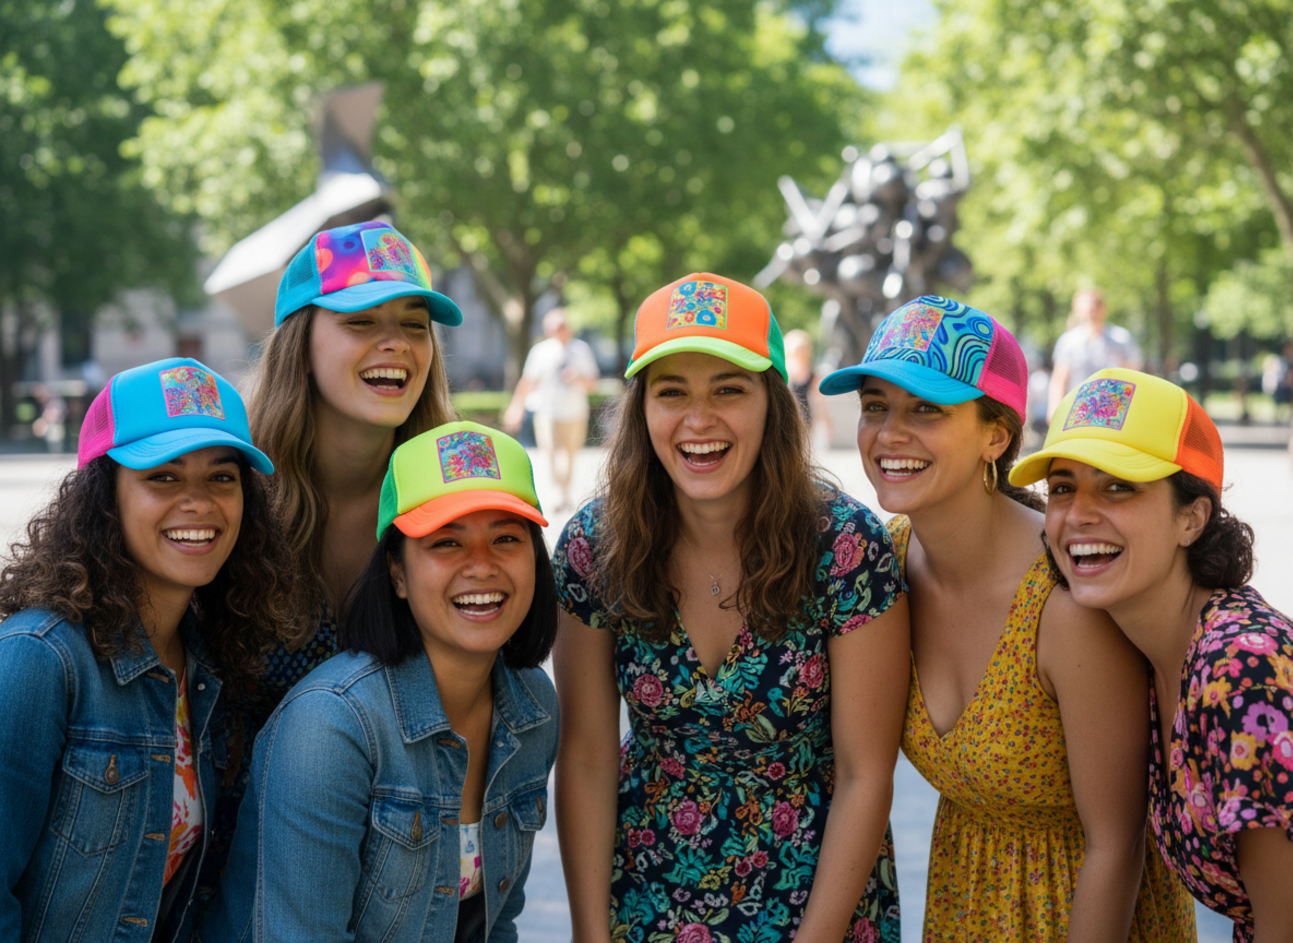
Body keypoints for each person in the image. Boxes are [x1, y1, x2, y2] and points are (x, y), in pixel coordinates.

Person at [819, 297, 1195, 942]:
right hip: (966, 899)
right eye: (875, 406)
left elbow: (1118, 841)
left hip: (1083, 910)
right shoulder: (885, 565)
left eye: (926, 409)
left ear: (996, 434)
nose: (889, 433)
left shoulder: (1065, 604)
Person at [552, 273, 909, 942]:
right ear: (641, 409)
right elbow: (587, 756)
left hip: (817, 898)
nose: (698, 418)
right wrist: (589, 934)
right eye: (671, 392)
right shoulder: (592, 548)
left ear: (771, 402)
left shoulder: (844, 547)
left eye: (727, 389)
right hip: (645, 892)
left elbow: (866, 773)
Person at [200, 422, 558, 942]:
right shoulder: (330, 727)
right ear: (396, 573)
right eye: (446, 542)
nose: (481, 565)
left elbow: (497, 924)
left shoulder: (533, 706)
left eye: (506, 537)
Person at [198, 220, 461, 898]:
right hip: (225, 886)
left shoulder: (452, 512)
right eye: (360, 320)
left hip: (395, 889)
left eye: (414, 322)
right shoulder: (228, 501)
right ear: (300, 343)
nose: (396, 343)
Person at [0, 358, 296, 942]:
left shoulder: (209, 662)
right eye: (163, 476)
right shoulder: (38, 661)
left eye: (221, 477)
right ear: (104, 497)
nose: (199, 502)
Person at [1012, 368, 1293, 942]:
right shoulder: (1155, 648)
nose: (1079, 514)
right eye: (1063, 487)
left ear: (1192, 517)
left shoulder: (1241, 671)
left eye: (1119, 486)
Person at [503, 308, 599, 512]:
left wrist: (577, 377)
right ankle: (558, 494)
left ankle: (565, 492)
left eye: (561, 326)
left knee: (571, 455)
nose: (558, 330)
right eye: (553, 327)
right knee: (551, 454)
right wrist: (516, 407)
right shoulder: (540, 352)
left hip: (575, 413)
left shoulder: (581, 350)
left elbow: (592, 383)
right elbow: (528, 381)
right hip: (547, 412)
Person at [1048, 288, 1142, 420]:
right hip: (1077, 410)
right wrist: (1054, 409)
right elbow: (1060, 377)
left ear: (1104, 308)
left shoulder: (1121, 338)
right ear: (1076, 309)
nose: (1091, 309)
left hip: (1115, 410)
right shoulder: (1068, 341)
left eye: (1095, 304)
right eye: (1086, 304)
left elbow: (1135, 375)